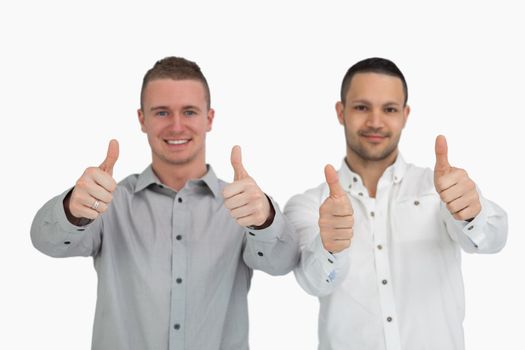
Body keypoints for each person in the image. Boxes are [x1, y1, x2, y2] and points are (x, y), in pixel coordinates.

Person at [31, 56, 299, 350]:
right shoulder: (110, 202)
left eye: (189, 111)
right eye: (161, 113)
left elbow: (283, 263)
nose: (176, 126)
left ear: (209, 119)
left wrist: (264, 220)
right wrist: (72, 210)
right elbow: (46, 242)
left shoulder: (242, 205)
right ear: (142, 119)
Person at [284, 57, 508, 350]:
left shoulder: (441, 188)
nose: (375, 122)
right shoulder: (310, 205)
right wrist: (330, 247)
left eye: (389, 109)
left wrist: (472, 212)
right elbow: (313, 282)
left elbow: (492, 239)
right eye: (362, 107)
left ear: (405, 115)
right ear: (341, 112)